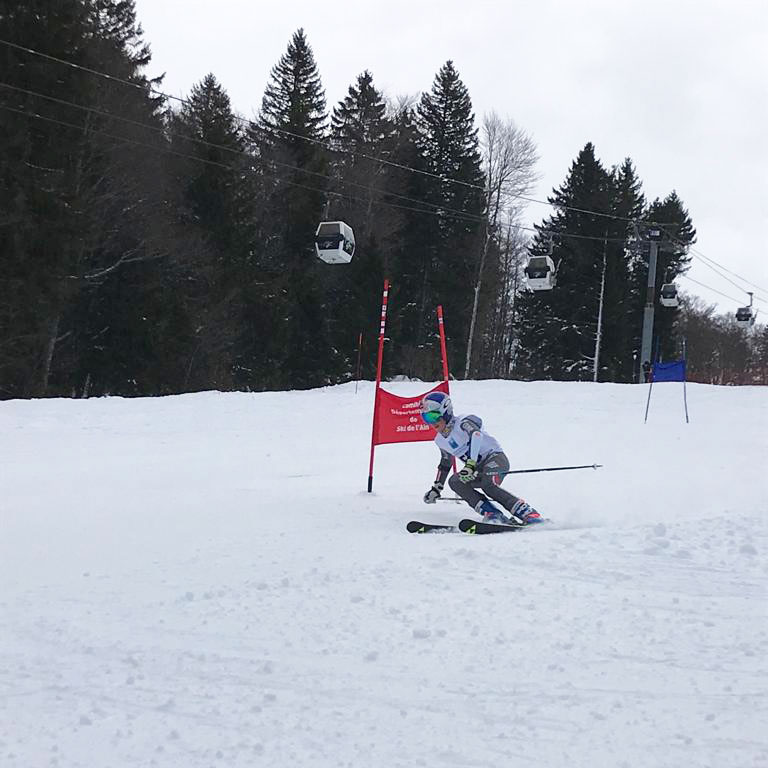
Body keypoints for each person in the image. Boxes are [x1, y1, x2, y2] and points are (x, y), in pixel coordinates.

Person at [420, 391, 542, 525]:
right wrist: (437, 488)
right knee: (455, 481)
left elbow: (476, 435)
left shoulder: (463, 421)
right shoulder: (440, 440)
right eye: (426, 418)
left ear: (446, 412)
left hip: (495, 459)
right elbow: (445, 462)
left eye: (434, 416)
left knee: (488, 485)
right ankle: (492, 514)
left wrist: (470, 464)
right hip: (475, 469)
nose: (432, 422)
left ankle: (528, 513)